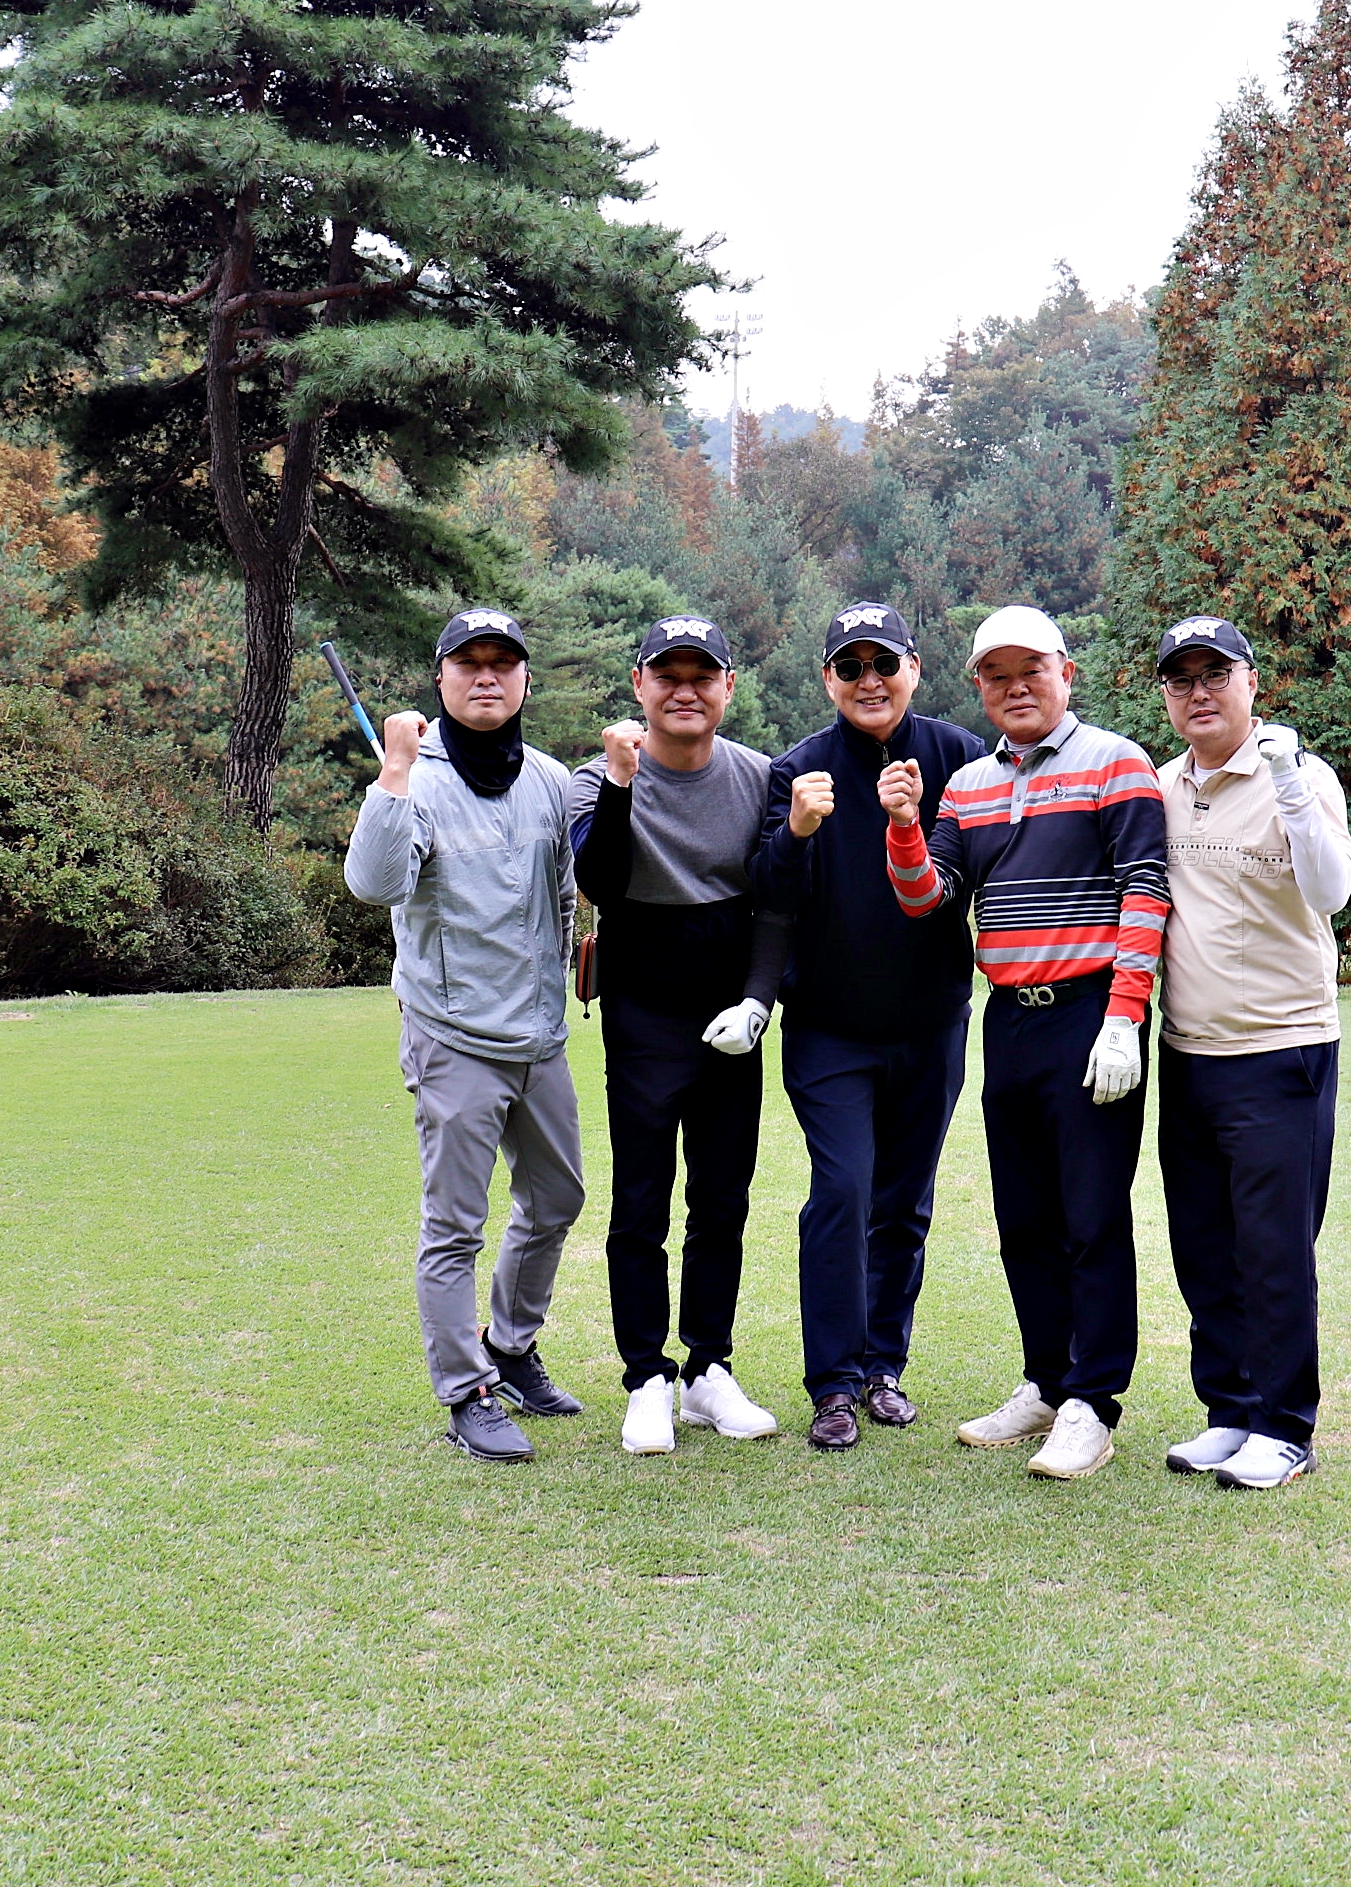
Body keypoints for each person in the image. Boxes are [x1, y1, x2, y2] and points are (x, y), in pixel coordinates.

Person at [884, 605, 1170, 1480]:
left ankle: (1094, 1401)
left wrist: (1124, 1016)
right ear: (979, 685)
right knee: (1025, 1218)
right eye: (997, 675)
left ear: (1065, 673)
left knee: (1091, 1215)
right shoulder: (968, 785)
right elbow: (926, 898)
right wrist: (904, 824)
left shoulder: (1116, 762)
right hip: (1009, 1016)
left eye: (1032, 671)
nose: (1016, 688)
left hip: (1091, 1014)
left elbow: (1145, 889)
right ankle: (1048, 1380)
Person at [343, 608, 586, 1464]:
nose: (487, 676)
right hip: (453, 1037)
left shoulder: (549, 779)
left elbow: (563, 894)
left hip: (539, 1037)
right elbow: (374, 883)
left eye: (502, 663)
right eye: (469, 662)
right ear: (441, 677)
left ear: (524, 680)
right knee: (454, 1226)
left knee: (557, 1200)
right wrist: (394, 772)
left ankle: (510, 1349)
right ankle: (465, 1392)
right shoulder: (413, 776)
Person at [751, 603, 988, 1452]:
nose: (869, 681)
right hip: (829, 1030)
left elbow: (980, 871)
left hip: (931, 1024)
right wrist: (797, 831)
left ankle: (884, 1367)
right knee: (844, 1191)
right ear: (828, 680)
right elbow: (767, 895)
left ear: (914, 668)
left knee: (903, 1202)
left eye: (884, 663)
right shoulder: (798, 772)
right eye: (849, 668)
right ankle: (833, 1383)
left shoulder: (961, 756)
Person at [568, 616, 791, 1457]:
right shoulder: (597, 777)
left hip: (730, 999)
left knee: (722, 1197)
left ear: (729, 686)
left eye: (703, 677)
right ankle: (646, 1377)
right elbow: (601, 878)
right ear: (640, 685)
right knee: (641, 1199)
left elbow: (774, 899)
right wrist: (623, 782)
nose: (685, 691)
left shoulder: (760, 777)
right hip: (644, 1001)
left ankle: (707, 1367)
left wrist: (758, 1000)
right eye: (668, 676)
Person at [1147, 617, 1351, 1492]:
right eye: (1182, 678)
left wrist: (1290, 786)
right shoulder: (1161, 785)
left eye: (1216, 675)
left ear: (1251, 683)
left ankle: (1283, 1425)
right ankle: (1230, 1411)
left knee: (1273, 1248)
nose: (1199, 692)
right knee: (1203, 1245)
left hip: (1281, 1049)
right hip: (1188, 1048)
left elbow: (1330, 890)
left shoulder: (1300, 775)